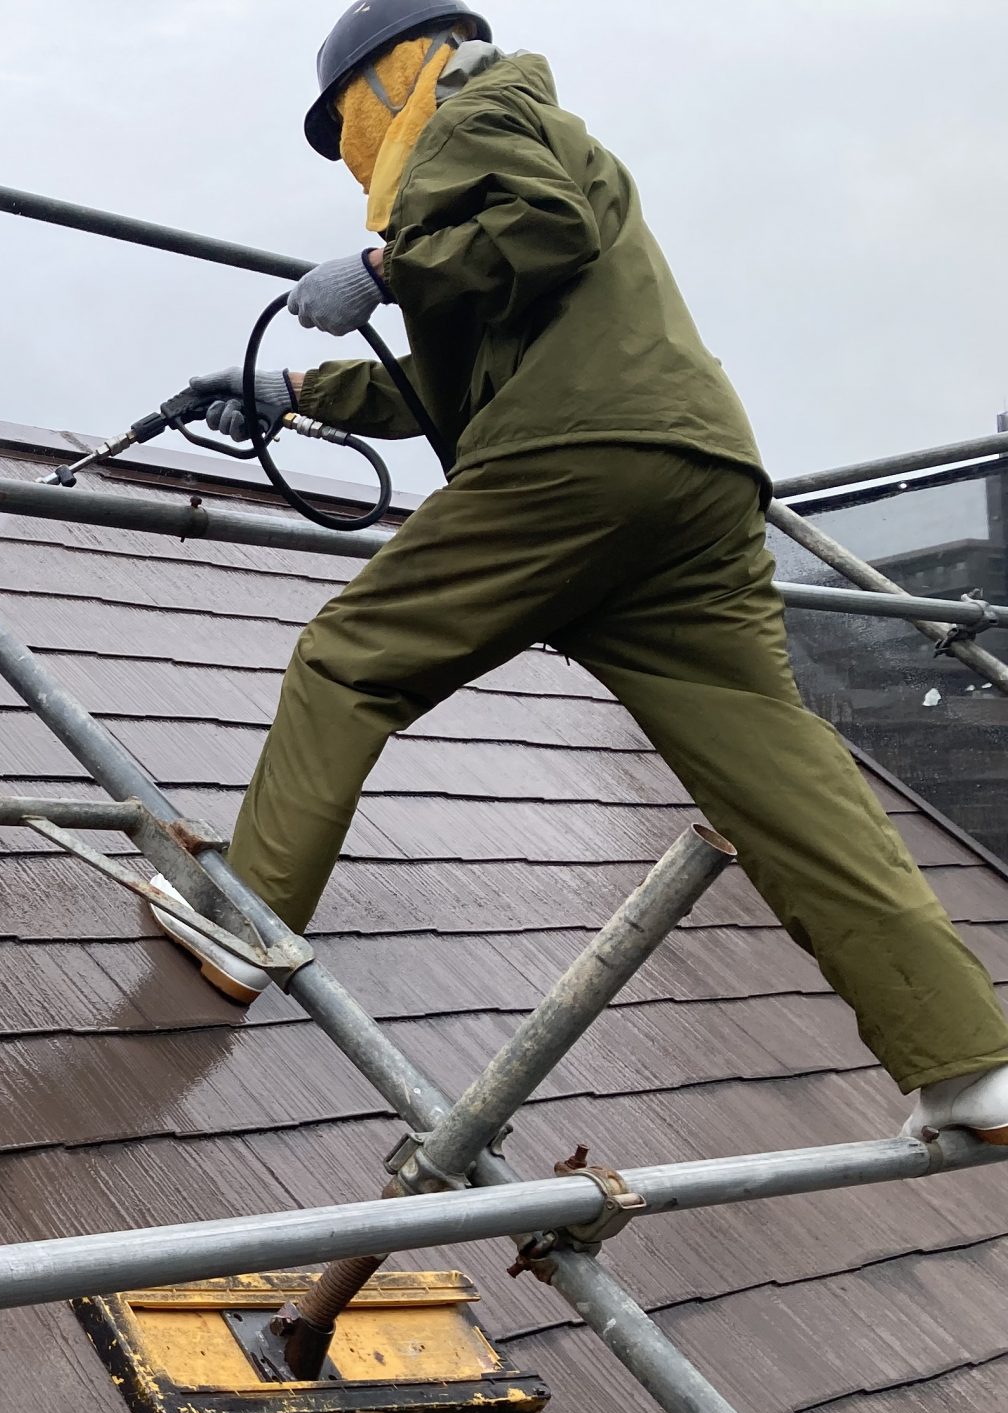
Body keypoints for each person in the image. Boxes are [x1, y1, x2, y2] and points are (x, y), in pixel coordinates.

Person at [165, 0, 1008, 1143]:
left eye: (345, 123)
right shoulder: (529, 131)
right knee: (778, 778)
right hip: (693, 482)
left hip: (580, 458)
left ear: (383, 79)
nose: (352, 151)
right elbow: (462, 373)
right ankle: (968, 1061)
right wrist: (297, 394)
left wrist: (384, 262)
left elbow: (539, 228)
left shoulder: (472, 111)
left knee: (348, 659)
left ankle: (240, 922)